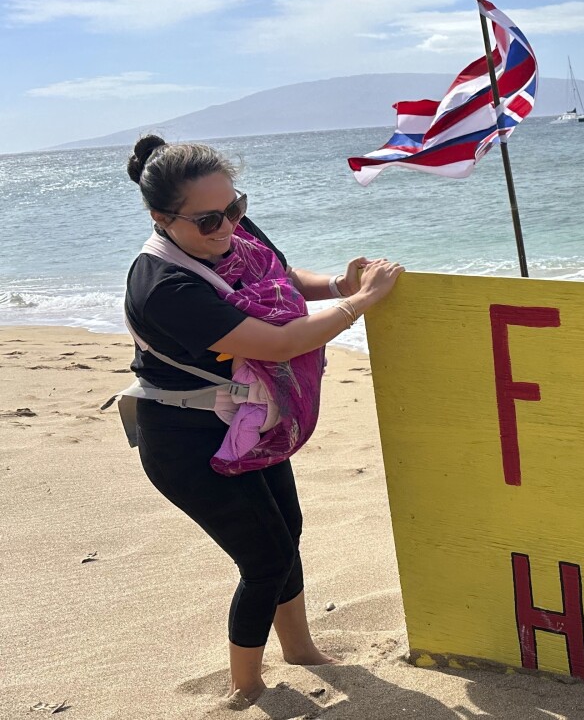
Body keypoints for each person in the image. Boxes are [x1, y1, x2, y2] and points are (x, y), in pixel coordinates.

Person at [120, 135, 403, 705]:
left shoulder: (225, 227)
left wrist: (339, 285)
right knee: (264, 555)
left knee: (287, 530)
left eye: (235, 208)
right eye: (207, 220)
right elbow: (277, 344)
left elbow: (282, 279)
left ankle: (300, 650)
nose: (226, 227)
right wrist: (359, 305)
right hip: (183, 438)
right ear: (161, 218)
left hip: (249, 417)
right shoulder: (163, 287)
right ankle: (247, 686)